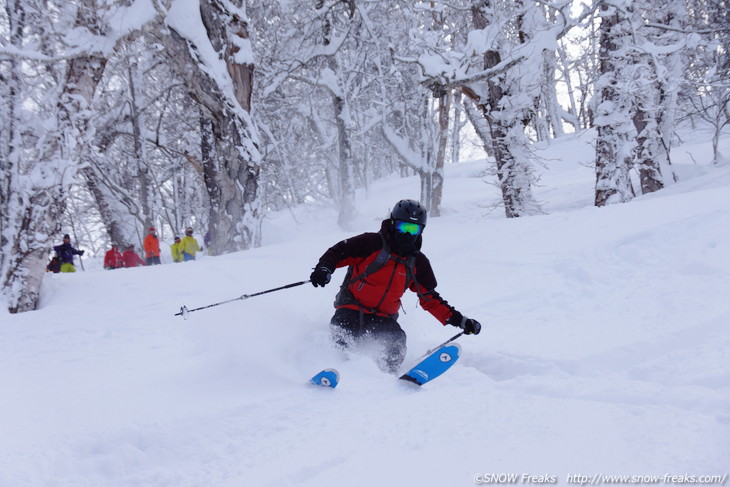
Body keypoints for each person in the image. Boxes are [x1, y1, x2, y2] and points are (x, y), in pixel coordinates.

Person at [309, 199, 481, 374]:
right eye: (402, 227)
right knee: (344, 331)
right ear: (392, 224)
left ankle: (385, 378)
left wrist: (460, 320)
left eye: (413, 229)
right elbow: (338, 252)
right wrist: (324, 268)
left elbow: (430, 299)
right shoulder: (370, 243)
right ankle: (336, 370)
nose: (407, 234)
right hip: (351, 308)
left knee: (397, 341)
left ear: (421, 231)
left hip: (384, 318)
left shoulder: (418, 263)